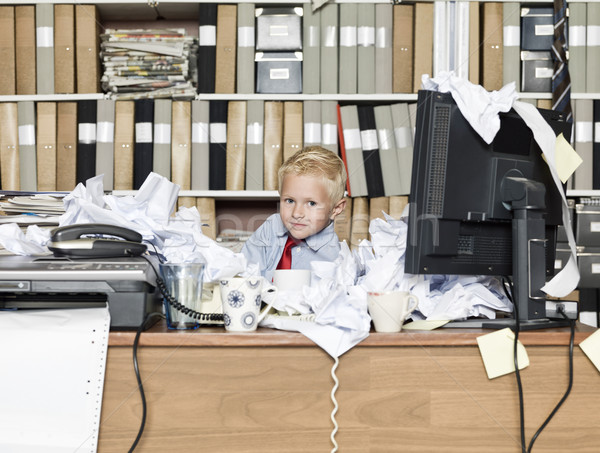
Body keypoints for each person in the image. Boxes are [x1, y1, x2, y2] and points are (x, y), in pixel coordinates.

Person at [242, 146, 347, 282]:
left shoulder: (336, 259)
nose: (297, 213)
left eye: (311, 203)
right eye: (290, 200)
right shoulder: (270, 227)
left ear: (336, 209)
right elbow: (244, 272)